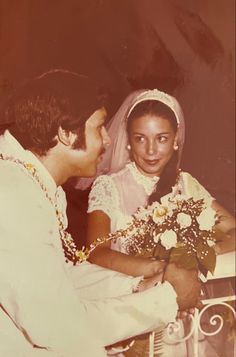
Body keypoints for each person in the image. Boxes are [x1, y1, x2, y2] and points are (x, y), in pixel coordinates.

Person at [0, 71, 201, 357]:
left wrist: (139, 285)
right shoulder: (13, 196)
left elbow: (61, 278)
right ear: (66, 134)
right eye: (99, 128)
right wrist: (165, 300)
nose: (108, 140)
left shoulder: (34, 183)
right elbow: (59, 327)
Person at [86, 89, 235, 356]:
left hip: (188, 319)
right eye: (140, 139)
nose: (151, 150)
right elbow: (96, 253)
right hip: (136, 310)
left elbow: (231, 229)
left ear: (176, 139)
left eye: (162, 139)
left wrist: (192, 258)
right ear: (128, 141)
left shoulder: (186, 183)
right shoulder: (109, 187)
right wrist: (160, 269)